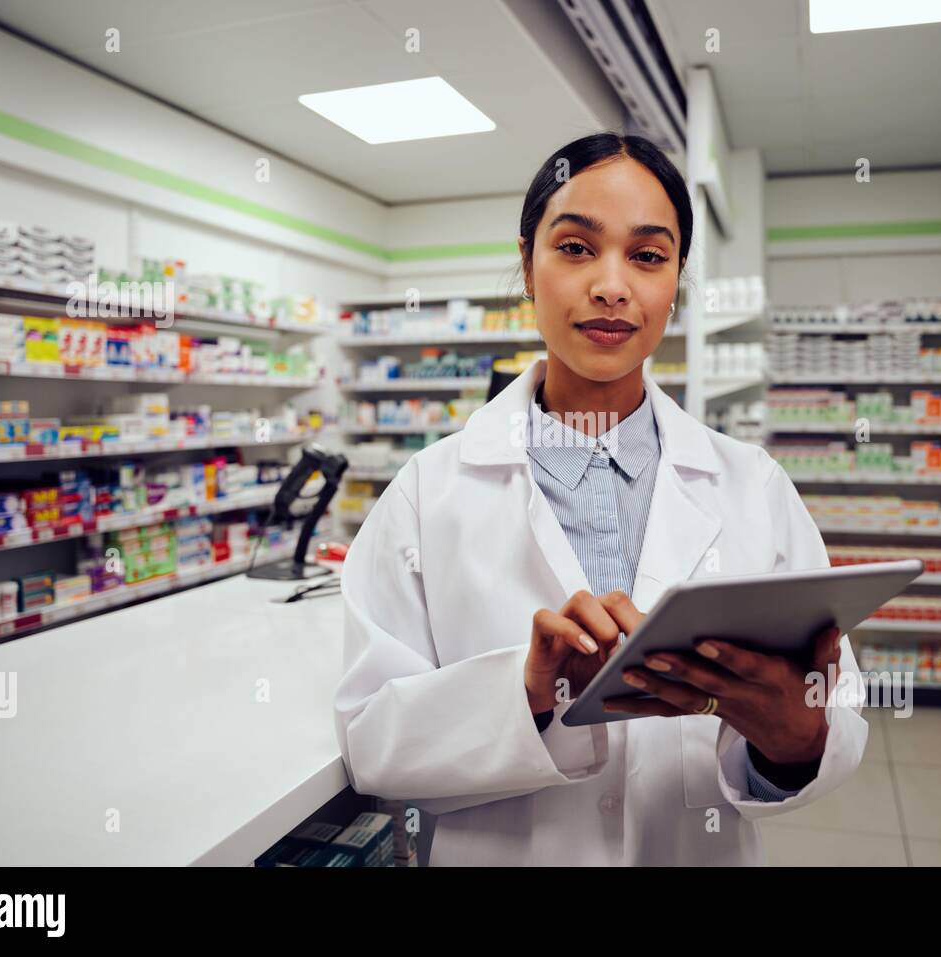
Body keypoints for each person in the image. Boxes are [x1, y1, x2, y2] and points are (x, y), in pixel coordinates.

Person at [333, 132, 867, 866]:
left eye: (648, 255)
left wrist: (795, 737)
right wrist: (528, 693)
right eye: (577, 247)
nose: (612, 285)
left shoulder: (754, 487)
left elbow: (834, 714)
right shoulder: (426, 494)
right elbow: (373, 742)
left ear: (677, 277)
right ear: (527, 264)